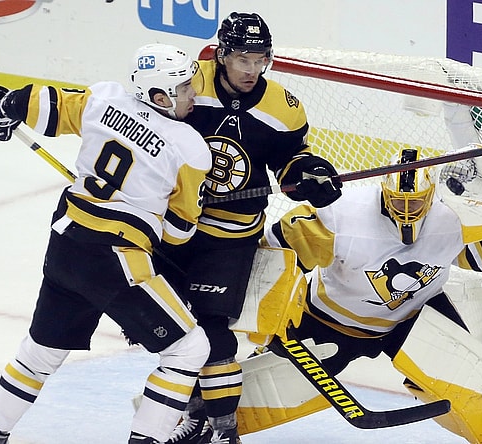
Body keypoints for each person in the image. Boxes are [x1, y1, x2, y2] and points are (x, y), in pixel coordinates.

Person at [0, 43, 213, 444]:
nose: (194, 95)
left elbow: (42, 103)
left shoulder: (104, 98)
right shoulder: (190, 148)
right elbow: (178, 232)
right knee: (189, 350)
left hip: (66, 246)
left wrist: (3, 106)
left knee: (39, 354)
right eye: (185, 88)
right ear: (159, 96)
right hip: (117, 258)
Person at [256, 147, 482, 443]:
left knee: (470, 380)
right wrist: (272, 318)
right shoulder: (343, 215)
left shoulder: (451, 217)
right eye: (399, 202)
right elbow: (270, 258)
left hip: (416, 318)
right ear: (384, 194)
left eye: (415, 204)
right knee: (274, 386)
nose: (407, 211)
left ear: (430, 198)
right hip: (333, 321)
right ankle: (218, 424)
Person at [152, 11, 343, 444]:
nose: (253, 70)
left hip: (231, 236)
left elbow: (291, 166)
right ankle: (196, 414)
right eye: (243, 59)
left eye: (262, 59)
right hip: (172, 228)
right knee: (177, 329)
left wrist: (310, 175)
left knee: (212, 329)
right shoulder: (187, 85)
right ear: (221, 54)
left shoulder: (284, 108)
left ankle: (222, 430)